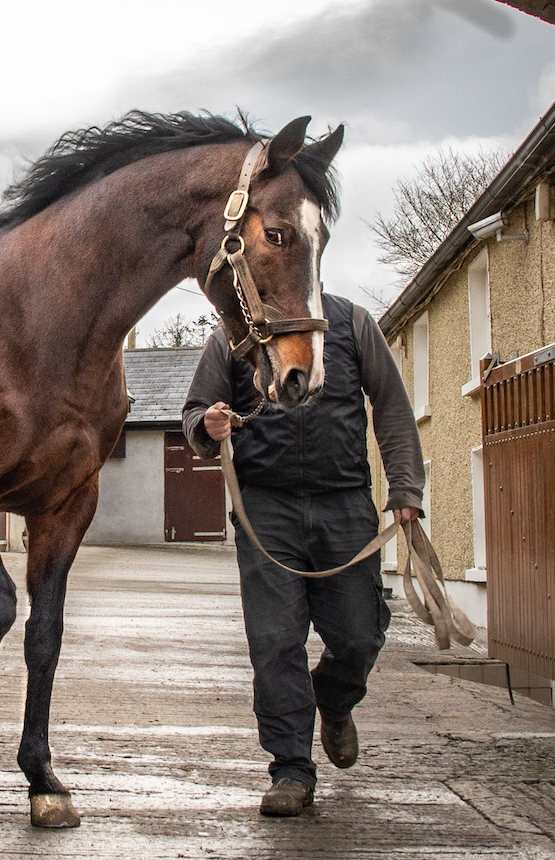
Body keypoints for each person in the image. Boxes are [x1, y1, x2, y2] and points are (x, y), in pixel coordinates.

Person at [181, 292, 424, 817]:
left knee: (359, 634)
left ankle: (334, 702)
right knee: (275, 643)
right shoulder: (231, 334)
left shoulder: (352, 323)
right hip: (265, 509)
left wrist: (405, 487)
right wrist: (210, 424)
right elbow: (195, 412)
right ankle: (291, 768)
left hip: (345, 505)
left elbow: (391, 402)